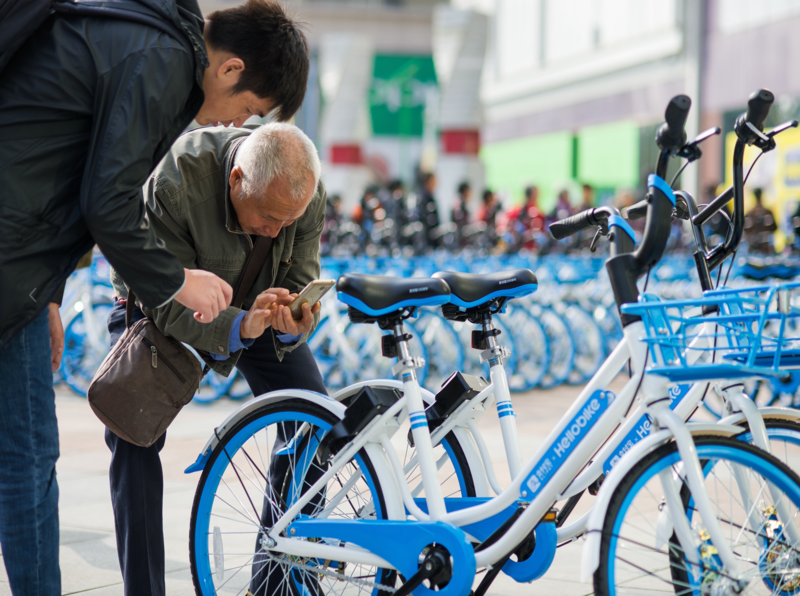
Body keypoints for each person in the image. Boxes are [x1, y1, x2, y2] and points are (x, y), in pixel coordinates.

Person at [0, 0, 310, 593]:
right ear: (229, 69)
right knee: (29, 459)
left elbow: (55, 173)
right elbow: (106, 203)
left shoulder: (148, 39)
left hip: (21, 265)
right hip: (13, 259)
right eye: (247, 109)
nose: (232, 126)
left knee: (26, 458)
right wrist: (179, 279)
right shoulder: (165, 62)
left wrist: (51, 297)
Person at [106, 122, 326, 596]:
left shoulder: (302, 191)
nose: (276, 229)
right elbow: (164, 301)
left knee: (317, 425)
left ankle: (276, 584)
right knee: (132, 438)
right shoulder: (176, 182)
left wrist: (295, 321)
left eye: (288, 221)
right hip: (158, 307)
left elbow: (303, 275)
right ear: (236, 179)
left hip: (259, 311)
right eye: (268, 217)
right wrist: (237, 325)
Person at [744, 187, 778, 254]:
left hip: (759, 248)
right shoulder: (767, 212)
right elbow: (775, 228)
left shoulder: (750, 213)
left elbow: (745, 230)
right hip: (764, 248)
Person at [417, 172, 442, 248]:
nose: (435, 184)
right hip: (427, 237)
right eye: (433, 181)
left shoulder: (431, 197)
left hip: (433, 235)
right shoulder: (422, 198)